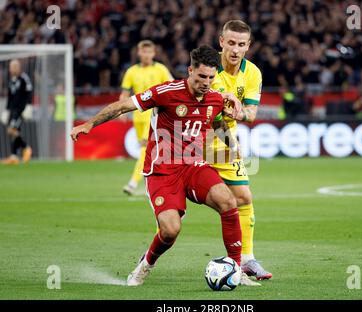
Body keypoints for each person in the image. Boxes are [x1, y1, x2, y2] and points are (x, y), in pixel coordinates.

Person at [70, 45, 258, 287]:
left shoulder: (215, 98)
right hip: (162, 171)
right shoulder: (166, 93)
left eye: (211, 78)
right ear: (190, 71)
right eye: (201, 77)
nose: (206, 83)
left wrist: (231, 147)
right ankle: (146, 263)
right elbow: (121, 106)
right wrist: (88, 125)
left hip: (194, 166)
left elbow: (217, 122)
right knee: (170, 230)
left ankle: (235, 269)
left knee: (229, 201)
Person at [211, 20, 272, 281]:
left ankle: (247, 260)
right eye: (231, 43)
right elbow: (212, 119)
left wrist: (239, 112)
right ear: (221, 41)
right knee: (175, 212)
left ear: (248, 46)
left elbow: (251, 113)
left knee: (244, 197)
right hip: (193, 140)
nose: (235, 50)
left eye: (241, 44)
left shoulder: (253, 73)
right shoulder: (208, 68)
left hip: (223, 145)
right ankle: (152, 252)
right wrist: (232, 142)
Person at [120, 40, 174, 196]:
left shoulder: (161, 69)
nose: (146, 55)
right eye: (143, 52)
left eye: (149, 52)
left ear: (153, 53)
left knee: (145, 148)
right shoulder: (131, 71)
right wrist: (121, 110)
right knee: (149, 150)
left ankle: (132, 182)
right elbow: (124, 92)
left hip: (156, 115)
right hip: (138, 116)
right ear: (139, 53)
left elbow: (172, 86)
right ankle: (153, 180)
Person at [1, 59, 33, 165]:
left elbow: (29, 92)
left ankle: (26, 148)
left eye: (14, 66)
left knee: (11, 130)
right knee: (14, 132)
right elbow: (10, 97)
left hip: (21, 109)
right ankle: (14, 156)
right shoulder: (12, 80)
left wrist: (28, 106)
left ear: (19, 67)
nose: (12, 69)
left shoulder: (24, 78)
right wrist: (6, 110)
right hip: (12, 110)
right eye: (11, 67)